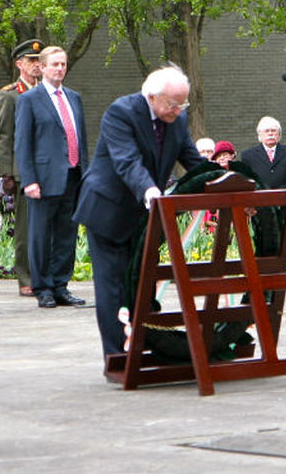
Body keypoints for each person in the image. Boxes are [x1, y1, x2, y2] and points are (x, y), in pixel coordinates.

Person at [73, 65, 203, 358]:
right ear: (152, 96)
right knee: (114, 285)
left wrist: (229, 186)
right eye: (173, 104)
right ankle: (118, 355)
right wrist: (150, 190)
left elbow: (195, 162)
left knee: (141, 283)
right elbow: (127, 161)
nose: (178, 111)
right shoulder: (122, 112)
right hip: (108, 210)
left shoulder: (176, 120)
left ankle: (143, 343)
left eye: (183, 104)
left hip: (144, 217)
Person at [15, 46, 89, 309]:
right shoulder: (29, 100)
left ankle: (61, 285)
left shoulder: (74, 98)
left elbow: (81, 139)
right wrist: (29, 180)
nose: (60, 68)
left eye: (63, 64)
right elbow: (23, 144)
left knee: (66, 234)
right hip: (44, 180)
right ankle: (43, 288)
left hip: (72, 175)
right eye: (54, 64)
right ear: (43, 68)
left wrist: (85, 175)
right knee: (40, 236)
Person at [0, 38, 45, 297]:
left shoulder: (47, 91)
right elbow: (4, 136)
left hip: (46, 168)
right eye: (31, 61)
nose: (36, 65)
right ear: (19, 64)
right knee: (25, 228)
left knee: (46, 226)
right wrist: (7, 173)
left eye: (39, 60)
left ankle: (45, 275)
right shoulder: (11, 94)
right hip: (23, 171)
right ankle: (26, 278)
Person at [240, 116, 286, 255]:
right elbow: (248, 178)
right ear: (259, 135)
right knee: (263, 241)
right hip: (260, 205)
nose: (270, 134)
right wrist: (266, 193)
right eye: (266, 131)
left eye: (274, 131)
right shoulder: (248, 156)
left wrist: (280, 193)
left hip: (285, 204)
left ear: (279, 134)